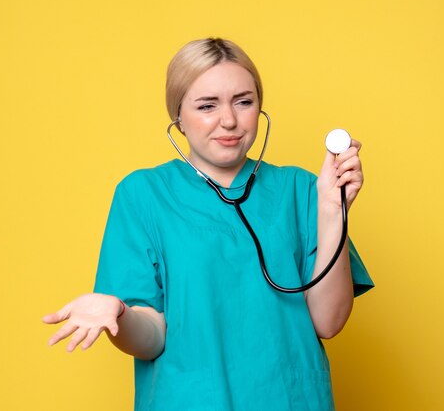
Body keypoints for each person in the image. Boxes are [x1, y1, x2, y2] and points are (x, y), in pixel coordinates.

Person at [43, 37, 374, 410]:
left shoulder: (301, 190)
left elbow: (328, 323)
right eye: (206, 106)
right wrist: (118, 311)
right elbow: (151, 337)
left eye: (244, 102)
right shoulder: (143, 194)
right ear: (178, 118)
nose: (229, 120)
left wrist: (333, 210)